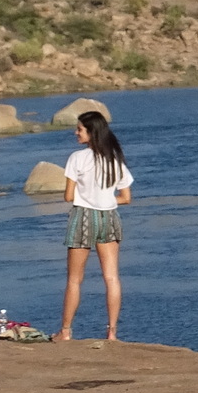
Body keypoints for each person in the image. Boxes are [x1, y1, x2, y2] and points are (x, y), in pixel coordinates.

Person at [55, 109, 133, 341]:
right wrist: (105, 198)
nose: (75, 132)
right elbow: (126, 198)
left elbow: (68, 196)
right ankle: (111, 332)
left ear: (91, 132)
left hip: (83, 217)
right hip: (109, 217)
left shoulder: (76, 158)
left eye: (79, 129)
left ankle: (65, 331)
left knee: (74, 279)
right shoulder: (114, 159)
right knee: (111, 277)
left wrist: (87, 196)